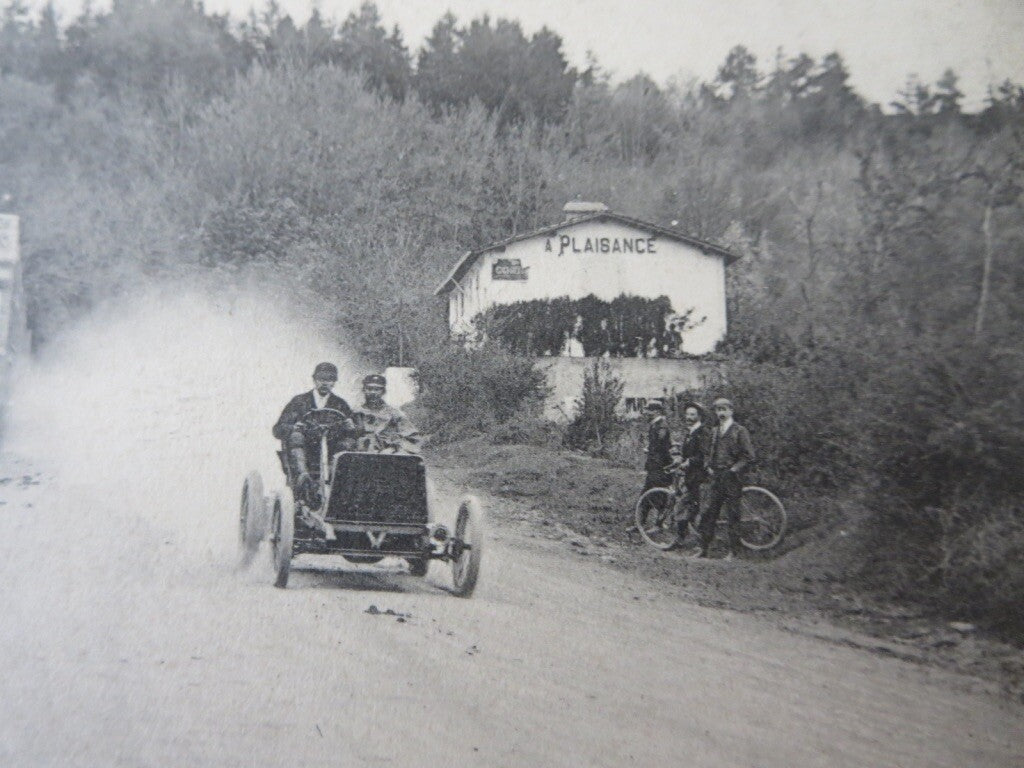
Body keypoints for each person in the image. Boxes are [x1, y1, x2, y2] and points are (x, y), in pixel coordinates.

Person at [691, 397, 755, 560]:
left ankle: (733, 551)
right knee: (709, 513)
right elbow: (709, 453)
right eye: (718, 410)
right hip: (717, 477)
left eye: (724, 409)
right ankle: (704, 548)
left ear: (731, 411)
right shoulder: (714, 431)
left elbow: (748, 456)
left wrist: (734, 469)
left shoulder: (740, 431)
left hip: (732, 478)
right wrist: (709, 467)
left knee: (733, 514)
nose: (721, 413)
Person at [272, 362, 353, 443]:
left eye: (329, 379)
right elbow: (278, 429)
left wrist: (350, 427)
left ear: (334, 382)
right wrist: (294, 427)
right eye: (321, 378)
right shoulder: (299, 401)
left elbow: (353, 431)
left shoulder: (341, 404)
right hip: (304, 448)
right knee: (296, 437)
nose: (324, 383)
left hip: (332, 448)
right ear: (314, 380)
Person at [352, 373, 422, 454]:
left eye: (377, 389)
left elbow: (413, 438)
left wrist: (395, 448)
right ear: (363, 390)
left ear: (383, 391)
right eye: (369, 389)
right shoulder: (355, 413)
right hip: (359, 456)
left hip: (388, 457)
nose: (373, 392)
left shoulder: (394, 414)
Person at [673, 401, 709, 542]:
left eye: (692, 414)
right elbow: (687, 452)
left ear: (699, 416)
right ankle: (690, 534)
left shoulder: (703, 432)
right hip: (691, 475)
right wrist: (680, 458)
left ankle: (681, 539)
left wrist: (690, 461)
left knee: (681, 506)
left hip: (699, 476)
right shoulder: (690, 431)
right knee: (691, 506)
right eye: (687, 414)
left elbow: (703, 454)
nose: (688, 417)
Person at [641, 400, 673, 494]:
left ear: (656, 411)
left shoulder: (662, 425)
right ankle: (643, 506)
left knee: (655, 487)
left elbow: (661, 443)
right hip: (654, 462)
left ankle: (646, 507)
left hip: (659, 462)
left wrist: (649, 449)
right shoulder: (655, 424)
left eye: (649, 410)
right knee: (652, 487)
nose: (647, 413)